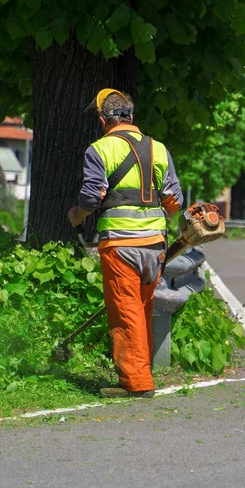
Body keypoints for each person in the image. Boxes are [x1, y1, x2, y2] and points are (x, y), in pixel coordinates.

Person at [68, 88, 183, 399]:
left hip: (121, 244)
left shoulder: (100, 149)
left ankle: (137, 383)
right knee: (141, 309)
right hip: (155, 245)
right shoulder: (159, 149)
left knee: (125, 311)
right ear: (131, 117)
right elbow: (175, 200)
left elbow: (92, 197)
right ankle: (140, 370)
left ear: (104, 121)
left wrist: (76, 215)